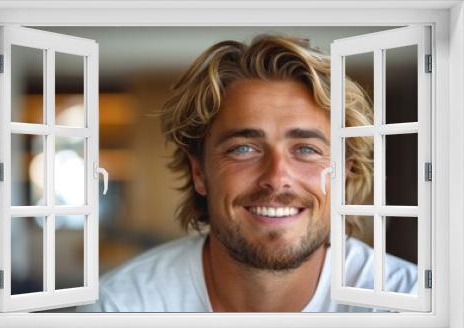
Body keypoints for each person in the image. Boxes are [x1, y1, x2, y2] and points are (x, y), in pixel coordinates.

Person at [78, 35, 417, 312]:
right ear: (199, 172)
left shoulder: (407, 305)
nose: (276, 177)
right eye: (243, 149)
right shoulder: (120, 308)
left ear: (344, 172)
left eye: (306, 149)